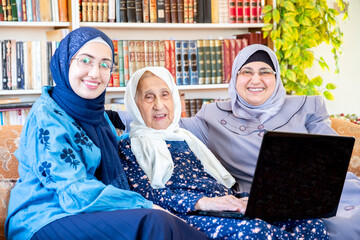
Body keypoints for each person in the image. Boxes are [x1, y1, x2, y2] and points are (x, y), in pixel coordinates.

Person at [5, 27, 208, 240]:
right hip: (43, 218)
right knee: (155, 221)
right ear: (65, 62)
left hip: (88, 212)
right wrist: (147, 205)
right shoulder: (47, 117)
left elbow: (127, 158)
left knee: (173, 220)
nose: (95, 73)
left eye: (104, 65)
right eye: (85, 60)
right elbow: (74, 190)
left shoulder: (98, 117)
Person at [118, 66, 330, 239]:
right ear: (135, 105)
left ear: (174, 98)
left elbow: (217, 181)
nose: (159, 105)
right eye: (148, 97)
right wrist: (201, 202)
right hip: (187, 214)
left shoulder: (187, 137)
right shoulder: (128, 146)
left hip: (225, 203)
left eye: (165, 95)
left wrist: (250, 199)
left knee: (311, 224)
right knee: (257, 232)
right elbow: (145, 196)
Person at [178, 44, 360, 239]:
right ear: (235, 77)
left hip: (324, 192)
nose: (255, 79)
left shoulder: (307, 107)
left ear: (276, 77)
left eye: (265, 72)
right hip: (267, 204)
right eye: (246, 72)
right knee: (335, 227)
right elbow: (165, 125)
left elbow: (333, 156)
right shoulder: (211, 116)